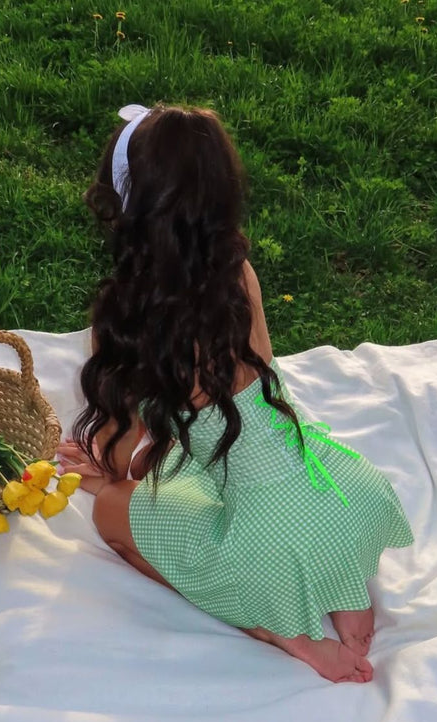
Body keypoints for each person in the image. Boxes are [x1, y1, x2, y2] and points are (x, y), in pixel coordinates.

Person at [57, 103, 414, 683]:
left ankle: (278, 628)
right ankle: (345, 591)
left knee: (111, 514)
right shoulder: (238, 276)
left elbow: (126, 458)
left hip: (269, 540)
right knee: (212, 475)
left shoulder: (127, 319)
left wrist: (104, 472)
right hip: (347, 496)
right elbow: (223, 416)